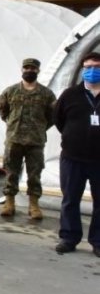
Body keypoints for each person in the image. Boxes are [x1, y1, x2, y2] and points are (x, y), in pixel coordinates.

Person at [53, 52, 100, 257]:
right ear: (82, 69)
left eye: (96, 67)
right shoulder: (70, 94)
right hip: (73, 157)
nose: (92, 71)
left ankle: (98, 241)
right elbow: (59, 120)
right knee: (71, 198)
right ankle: (69, 238)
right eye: (88, 67)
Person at [0, 58, 56, 219]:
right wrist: (13, 124)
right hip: (14, 139)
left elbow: (52, 116)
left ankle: (34, 205)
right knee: (11, 172)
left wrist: (39, 128)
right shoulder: (11, 91)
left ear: (38, 70)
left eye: (33, 68)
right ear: (22, 70)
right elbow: (3, 111)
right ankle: (9, 203)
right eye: (26, 68)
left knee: (35, 174)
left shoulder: (47, 94)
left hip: (35, 141)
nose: (29, 71)